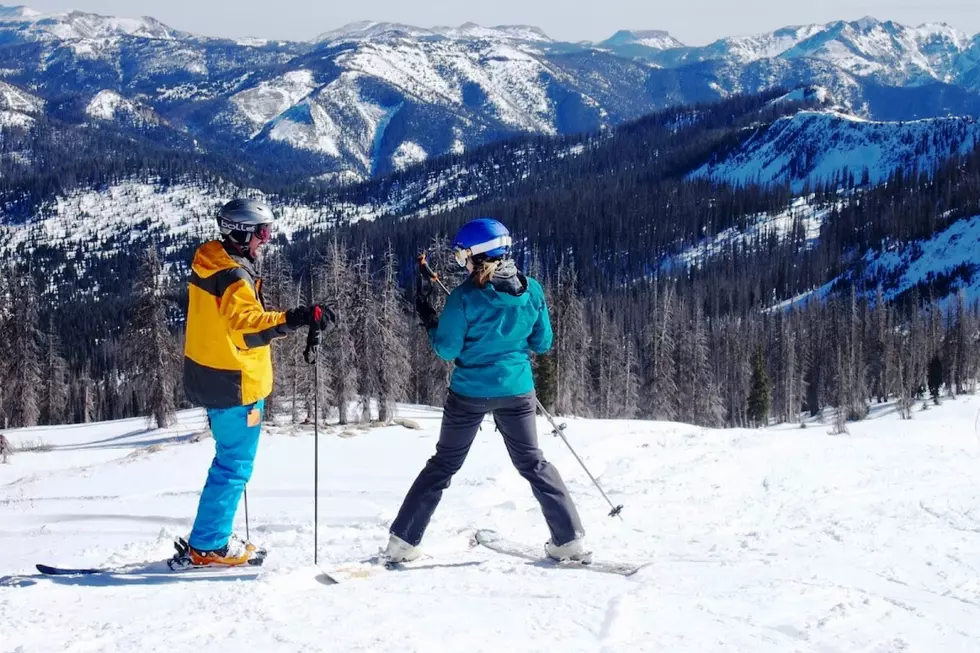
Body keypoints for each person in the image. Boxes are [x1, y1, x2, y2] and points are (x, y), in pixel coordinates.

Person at [382, 218, 590, 564]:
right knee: (532, 462)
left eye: (463, 253)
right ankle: (568, 539)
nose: (459, 259)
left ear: (477, 255)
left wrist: (432, 322)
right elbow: (543, 342)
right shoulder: (532, 290)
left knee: (444, 464)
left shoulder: (464, 298)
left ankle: (403, 541)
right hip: (517, 390)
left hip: (469, 392)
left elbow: (447, 349)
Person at [177, 198, 335, 568]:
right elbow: (247, 328)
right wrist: (295, 317)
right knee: (234, 465)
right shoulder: (233, 276)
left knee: (228, 460)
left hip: (209, 373)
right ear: (241, 233)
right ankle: (210, 544)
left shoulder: (211, 260)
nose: (265, 240)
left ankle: (212, 534)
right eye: (262, 233)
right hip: (234, 384)